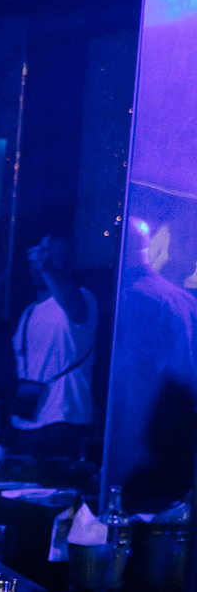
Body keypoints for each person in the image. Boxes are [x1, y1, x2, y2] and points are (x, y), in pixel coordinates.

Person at [105, 219, 197, 511]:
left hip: (138, 454)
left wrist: (122, 458)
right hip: (175, 451)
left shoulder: (133, 297)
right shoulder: (184, 301)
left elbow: (136, 384)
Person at [8, 235, 97, 461]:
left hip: (65, 418)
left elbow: (74, 307)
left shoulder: (83, 298)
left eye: (50, 259)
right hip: (27, 421)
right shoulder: (28, 311)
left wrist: (47, 268)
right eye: (37, 260)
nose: (40, 266)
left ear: (67, 264)